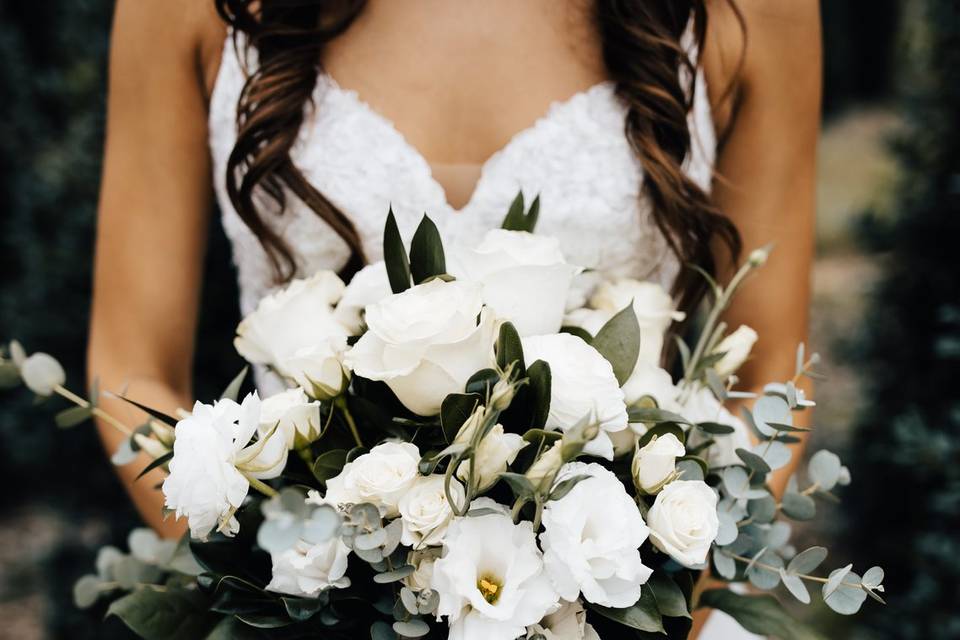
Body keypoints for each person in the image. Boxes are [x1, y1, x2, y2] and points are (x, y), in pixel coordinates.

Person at [87, 1, 819, 637]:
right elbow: (130, 363)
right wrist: (285, 599)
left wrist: (646, 612)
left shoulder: (750, 12)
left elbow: (768, 372)